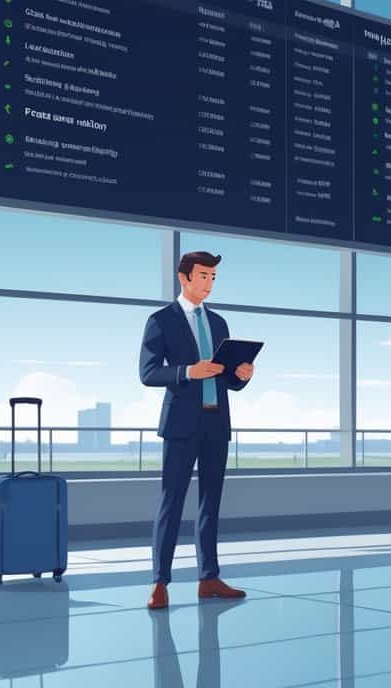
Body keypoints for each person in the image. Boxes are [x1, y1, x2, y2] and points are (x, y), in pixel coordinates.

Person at [139, 251, 254, 609]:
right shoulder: (161, 321)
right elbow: (148, 372)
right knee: (171, 503)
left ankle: (209, 578)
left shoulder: (219, 323)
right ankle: (160, 582)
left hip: (216, 422)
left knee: (210, 504)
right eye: (203, 276)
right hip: (181, 425)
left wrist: (241, 376)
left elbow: (226, 378)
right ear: (184, 277)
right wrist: (188, 371)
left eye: (213, 277)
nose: (209, 284)